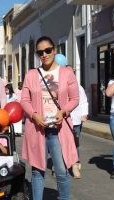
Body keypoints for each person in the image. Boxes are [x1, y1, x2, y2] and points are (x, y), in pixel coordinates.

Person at [20, 36, 79, 200]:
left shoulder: (67, 73)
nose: (44, 54)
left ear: (54, 50)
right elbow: (24, 100)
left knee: (61, 171)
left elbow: (75, 99)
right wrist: (34, 115)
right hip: (37, 129)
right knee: (37, 171)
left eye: (47, 50)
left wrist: (63, 112)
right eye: (40, 52)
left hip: (58, 130)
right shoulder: (31, 75)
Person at [66, 65, 89, 179]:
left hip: (76, 120)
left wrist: (84, 114)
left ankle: (75, 165)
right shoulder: (60, 87)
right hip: (64, 120)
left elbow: (84, 102)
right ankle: (62, 165)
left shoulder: (79, 88)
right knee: (63, 143)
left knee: (75, 142)